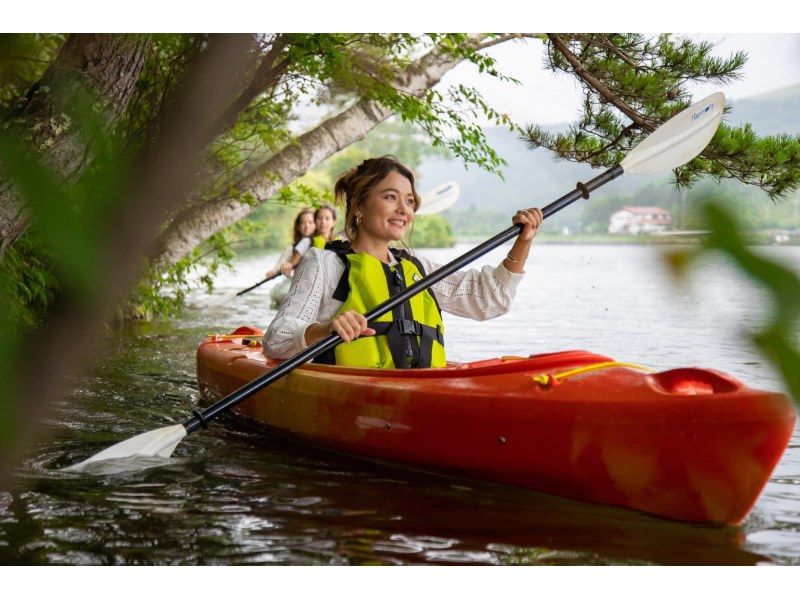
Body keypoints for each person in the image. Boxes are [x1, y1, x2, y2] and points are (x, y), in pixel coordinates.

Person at [264, 155, 542, 369]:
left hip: (419, 388)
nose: (403, 209)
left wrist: (524, 240)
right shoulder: (325, 263)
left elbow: (490, 301)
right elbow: (276, 341)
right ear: (359, 206)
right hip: (353, 395)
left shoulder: (418, 268)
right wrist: (326, 329)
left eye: (409, 202)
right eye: (390, 197)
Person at [266, 208, 316, 279]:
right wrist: (276, 271)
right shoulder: (291, 248)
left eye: (310, 222)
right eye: (303, 223)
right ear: (298, 227)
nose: (307, 226)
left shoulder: (319, 242)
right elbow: (285, 264)